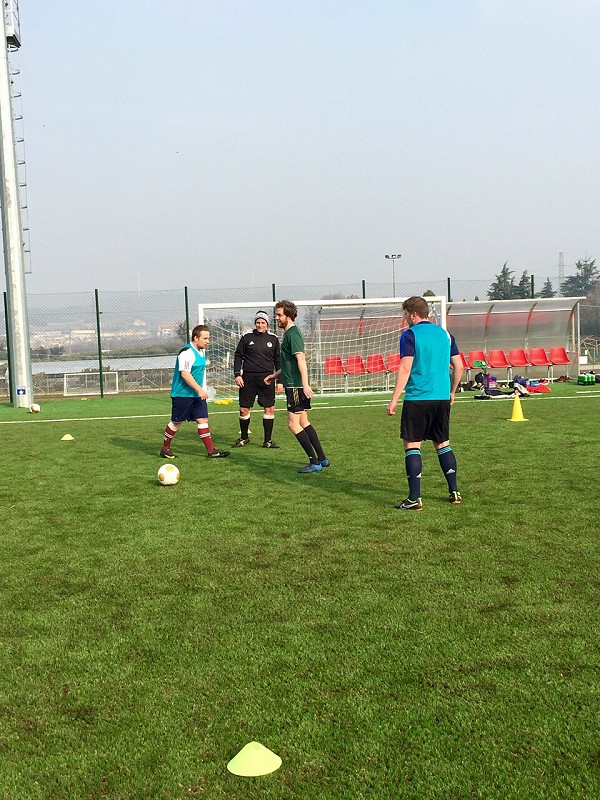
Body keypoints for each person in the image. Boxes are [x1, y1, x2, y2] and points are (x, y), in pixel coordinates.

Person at [386, 296, 463, 510]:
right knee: (443, 444)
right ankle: (454, 491)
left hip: (418, 398)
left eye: (405, 314)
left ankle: (414, 499)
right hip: (441, 398)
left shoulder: (410, 335)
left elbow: (405, 368)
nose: (405, 318)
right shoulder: (446, 335)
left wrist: (394, 399)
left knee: (412, 445)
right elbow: (459, 367)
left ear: (413, 314)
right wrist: (452, 392)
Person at [265, 300, 329, 473]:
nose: (276, 318)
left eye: (279, 315)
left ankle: (314, 462)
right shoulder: (289, 334)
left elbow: (301, 359)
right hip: (295, 385)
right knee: (303, 422)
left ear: (288, 315)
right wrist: (275, 375)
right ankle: (322, 459)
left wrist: (305, 385)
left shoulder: (292, 334)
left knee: (293, 425)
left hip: (295, 386)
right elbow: (289, 363)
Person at [160, 324, 230, 459]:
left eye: (208, 338)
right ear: (196, 338)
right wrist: (199, 389)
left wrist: (200, 390)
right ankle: (165, 448)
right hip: (182, 395)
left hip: (197, 395)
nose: (208, 341)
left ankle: (211, 451)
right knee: (176, 422)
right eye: (205, 338)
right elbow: (185, 374)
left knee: (202, 419)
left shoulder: (201, 351)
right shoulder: (186, 352)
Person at [232, 310, 281, 448]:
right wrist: (237, 374)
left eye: (263, 322)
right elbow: (238, 356)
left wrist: (280, 381)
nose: (260, 325)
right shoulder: (246, 337)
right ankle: (244, 437)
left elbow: (278, 361)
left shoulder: (273, 339)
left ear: (267, 324)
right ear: (255, 323)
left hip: (267, 378)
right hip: (248, 378)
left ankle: (268, 441)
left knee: (269, 408)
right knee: (243, 409)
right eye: (258, 322)